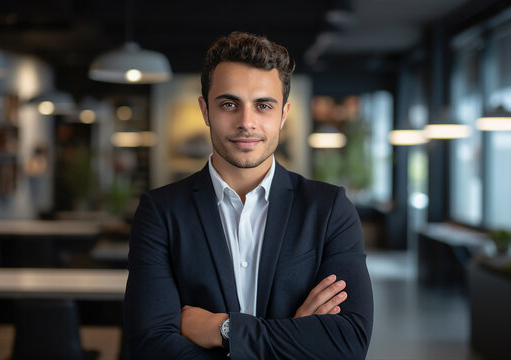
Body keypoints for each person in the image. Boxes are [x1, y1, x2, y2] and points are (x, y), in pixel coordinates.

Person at [124, 31, 373, 359]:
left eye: (263, 106)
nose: (246, 122)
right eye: (229, 104)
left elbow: (348, 341)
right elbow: (151, 344)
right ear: (205, 110)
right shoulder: (160, 211)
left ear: (283, 114)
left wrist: (224, 330)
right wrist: (294, 335)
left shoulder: (328, 209)